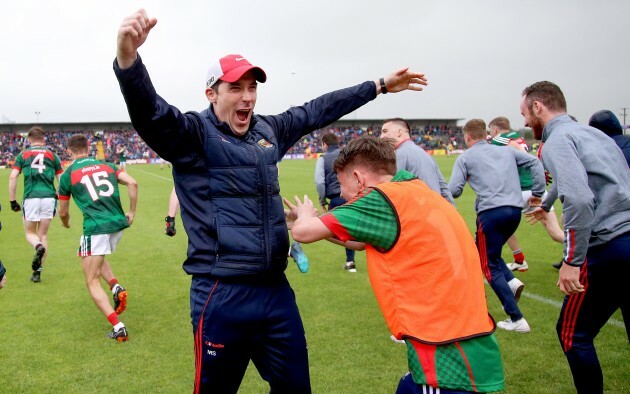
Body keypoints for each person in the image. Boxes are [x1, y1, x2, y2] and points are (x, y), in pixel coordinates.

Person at [114, 8, 427, 393]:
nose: (247, 98)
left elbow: (317, 110)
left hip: (275, 291)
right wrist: (129, 60)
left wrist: (378, 85)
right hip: (221, 293)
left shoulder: (268, 130)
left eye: (253, 88)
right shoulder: (193, 135)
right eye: (235, 88)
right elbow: (151, 114)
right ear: (211, 93)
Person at [288, 137, 505, 393]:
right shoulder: (413, 190)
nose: (344, 197)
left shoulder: (380, 199)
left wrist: (303, 217)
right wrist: (311, 224)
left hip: (447, 355)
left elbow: (303, 233)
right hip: (466, 339)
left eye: (343, 188)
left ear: (359, 178)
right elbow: (359, 242)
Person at [520, 81, 630, 393]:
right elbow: (588, 174)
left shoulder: (557, 142)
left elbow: (580, 199)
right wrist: (547, 201)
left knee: (572, 333)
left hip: (608, 245)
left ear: (538, 107)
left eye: (525, 113)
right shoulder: (593, 134)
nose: (525, 122)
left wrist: (572, 261)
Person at [448, 119, 546, 333]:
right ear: (486, 134)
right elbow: (535, 163)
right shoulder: (506, 152)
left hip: (490, 213)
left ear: (467, 137)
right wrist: (538, 194)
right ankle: (510, 282)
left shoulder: (466, 157)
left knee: (487, 263)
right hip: (514, 211)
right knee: (487, 251)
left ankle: (516, 317)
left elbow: (454, 190)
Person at [58, 134, 138, 342]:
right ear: (88, 148)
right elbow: (133, 183)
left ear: (69, 151)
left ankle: (118, 327)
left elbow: (63, 213)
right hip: (118, 225)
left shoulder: (68, 174)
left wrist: (65, 224)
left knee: (91, 280)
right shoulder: (107, 166)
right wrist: (132, 213)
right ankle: (114, 285)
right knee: (89, 254)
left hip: (96, 227)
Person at [488, 116, 564, 272]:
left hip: (522, 191)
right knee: (556, 233)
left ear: (495, 129)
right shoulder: (518, 136)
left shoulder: (500, 139)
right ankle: (584, 252)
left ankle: (516, 260)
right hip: (538, 189)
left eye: (491, 131)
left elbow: (517, 149)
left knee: (499, 226)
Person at [8, 126, 63, 283]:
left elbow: (12, 177)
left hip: (31, 197)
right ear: (43, 139)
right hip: (49, 198)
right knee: (43, 235)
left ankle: (37, 247)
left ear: (29, 140)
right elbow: (62, 178)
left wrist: (12, 201)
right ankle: (37, 273)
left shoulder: (23, 155)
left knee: (30, 234)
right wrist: (59, 195)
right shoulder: (53, 155)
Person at [379, 117, 455, 205]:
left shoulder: (399, 154)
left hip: (418, 214)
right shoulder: (427, 155)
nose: (381, 136)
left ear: (399, 132)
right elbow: (444, 190)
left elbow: (390, 192)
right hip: (436, 212)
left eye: (385, 131)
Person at [314, 132, 357, 272]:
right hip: (352, 197)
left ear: (325, 144)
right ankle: (350, 261)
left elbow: (319, 181)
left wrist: (322, 200)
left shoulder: (323, 158)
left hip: (335, 199)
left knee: (329, 230)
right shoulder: (348, 155)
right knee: (350, 230)